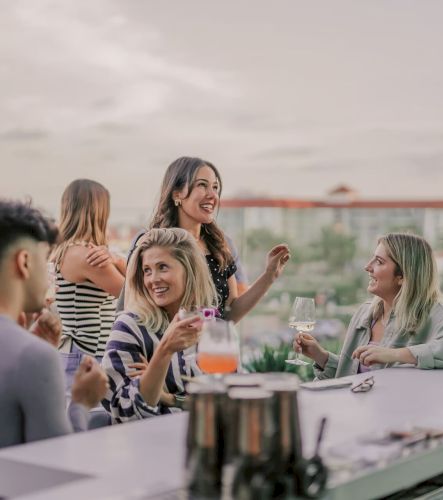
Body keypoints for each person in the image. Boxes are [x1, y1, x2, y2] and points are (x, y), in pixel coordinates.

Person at [118, 157, 289, 321]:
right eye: (202, 185)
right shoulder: (150, 243)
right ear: (177, 194)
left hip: (209, 348)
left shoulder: (221, 244)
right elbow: (133, 306)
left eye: (215, 188)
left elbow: (228, 314)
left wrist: (269, 276)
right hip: (163, 348)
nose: (212, 195)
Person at [0, 200, 108, 448]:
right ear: (24, 262)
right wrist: (81, 403)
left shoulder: (29, 350)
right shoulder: (34, 357)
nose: (51, 272)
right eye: (45, 259)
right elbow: (60, 462)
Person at [293, 233, 443, 378]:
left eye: (378, 262)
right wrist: (321, 356)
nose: (367, 267)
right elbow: (351, 377)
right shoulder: (365, 314)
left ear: (402, 276)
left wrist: (395, 354)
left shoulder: (433, 312)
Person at [101, 227, 218, 423]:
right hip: (148, 447)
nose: (153, 279)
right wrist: (164, 350)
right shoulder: (130, 327)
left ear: (189, 270)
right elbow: (125, 412)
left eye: (162, 267)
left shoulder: (212, 327)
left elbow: (225, 401)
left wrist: (169, 398)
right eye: (147, 270)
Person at [51, 179, 125, 391]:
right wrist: (119, 262)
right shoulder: (89, 257)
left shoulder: (63, 249)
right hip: (90, 355)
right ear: (98, 211)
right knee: (92, 419)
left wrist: (117, 260)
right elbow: (134, 296)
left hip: (74, 352)